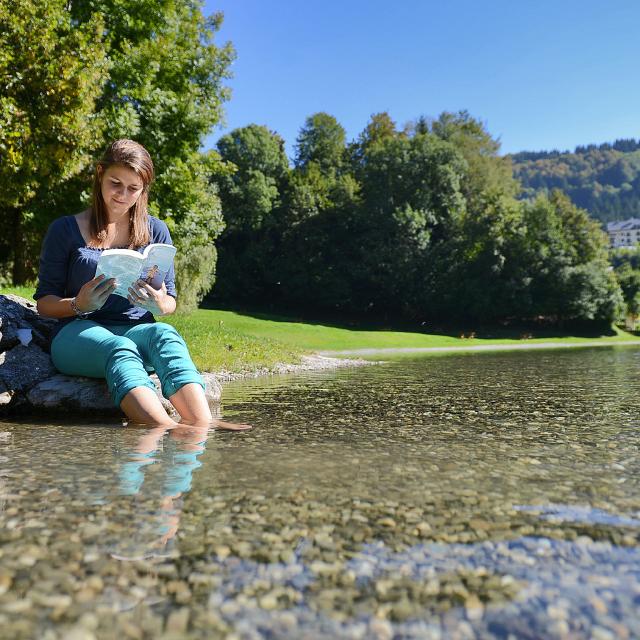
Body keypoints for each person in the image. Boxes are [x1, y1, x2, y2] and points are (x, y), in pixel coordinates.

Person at [34, 139, 228, 428]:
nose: (123, 195)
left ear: (143, 189)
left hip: (139, 329)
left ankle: (202, 426)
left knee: (166, 335)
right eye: (115, 183)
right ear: (100, 173)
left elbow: (170, 301)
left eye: (133, 188)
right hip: (77, 333)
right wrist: (78, 304)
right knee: (119, 347)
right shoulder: (65, 229)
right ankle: (167, 429)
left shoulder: (156, 231)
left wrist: (159, 302)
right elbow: (44, 304)